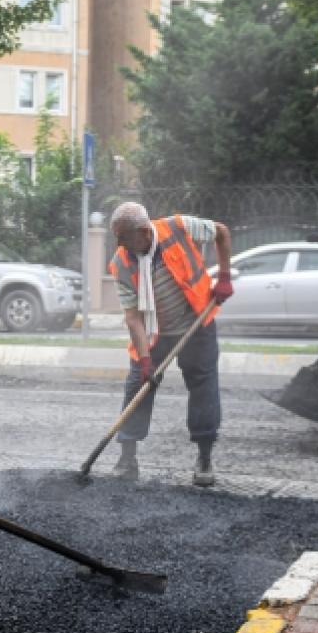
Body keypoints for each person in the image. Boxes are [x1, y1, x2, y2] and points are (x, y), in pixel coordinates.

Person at [106, 202, 234, 486]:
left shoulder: (178, 227)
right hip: (154, 333)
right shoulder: (121, 263)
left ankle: (204, 457)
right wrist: (144, 360)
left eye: (123, 237)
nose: (119, 243)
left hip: (196, 322)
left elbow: (222, 233)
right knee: (138, 384)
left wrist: (224, 276)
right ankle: (127, 458)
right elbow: (133, 318)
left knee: (203, 386)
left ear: (143, 232)